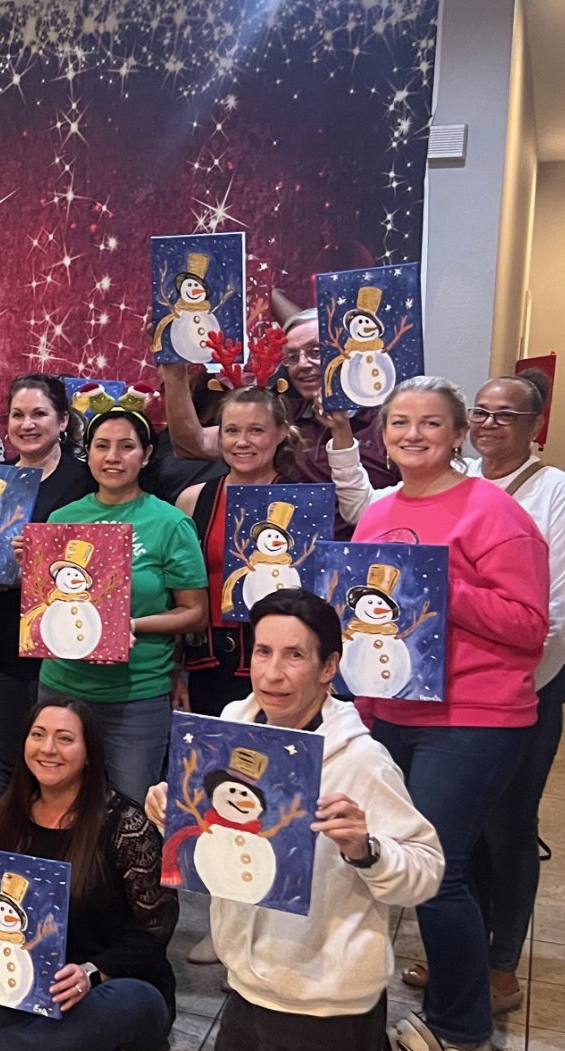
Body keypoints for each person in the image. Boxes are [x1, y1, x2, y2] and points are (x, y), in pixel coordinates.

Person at [145, 590, 444, 1051]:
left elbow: (426, 871)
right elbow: (221, 840)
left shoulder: (360, 761)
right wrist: (169, 815)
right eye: (263, 652)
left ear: (329, 667)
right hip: (248, 980)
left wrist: (366, 850)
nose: (272, 673)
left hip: (319, 997)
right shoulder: (230, 730)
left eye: (295, 655)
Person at [341, 375, 548, 1051]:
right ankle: (417, 1011)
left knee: (438, 871)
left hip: (474, 715)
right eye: (399, 421)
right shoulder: (375, 514)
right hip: (391, 713)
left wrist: (439, 585)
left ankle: (465, 1032)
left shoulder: (495, 513)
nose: (412, 434)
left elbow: (529, 627)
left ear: (458, 434)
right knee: (388, 865)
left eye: (430, 423)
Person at [0, 698, 176, 1051]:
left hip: (106, 984)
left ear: (90, 753)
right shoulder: (5, 817)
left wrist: (93, 973)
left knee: (137, 1004)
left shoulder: (126, 824)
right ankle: (76, 1049)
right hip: (29, 980)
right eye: (38, 735)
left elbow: (156, 928)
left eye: (65, 739)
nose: (48, 749)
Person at [463, 369, 565, 1016]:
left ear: (535, 425)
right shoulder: (455, 478)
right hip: (454, 687)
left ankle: (501, 959)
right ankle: (463, 946)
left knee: (509, 825)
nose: (489, 424)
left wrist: (508, 683)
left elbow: (563, 612)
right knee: (460, 825)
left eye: (505, 415)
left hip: (527, 686)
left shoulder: (560, 494)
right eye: (480, 412)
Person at [36, 408, 207, 805]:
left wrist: (133, 625)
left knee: (131, 813)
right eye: (102, 446)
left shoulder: (170, 523)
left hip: (136, 696)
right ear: (88, 453)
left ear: (146, 455)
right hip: (62, 687)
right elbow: (44, 603)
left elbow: (195, 612)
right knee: (61, 806)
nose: (113, 457)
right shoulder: (62, 519)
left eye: (126, 447)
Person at [157, 296, 397, 533]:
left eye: (315, 351)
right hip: (284, 554)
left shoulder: (388, 423)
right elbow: (191, 444)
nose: (303, 364)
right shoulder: (284, 416)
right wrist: (172, 364)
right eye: (292, 357)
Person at [0, 375, 94, 790]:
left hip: (59, 650)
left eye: (39, 414)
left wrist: (35, 571)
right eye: (17, 415)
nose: (27, 424)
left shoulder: (86, 481)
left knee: (61, 766)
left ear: (62, 421)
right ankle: (13, 851)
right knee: (8, 761)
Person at [173, 386, 300, 717]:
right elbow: (177, 592)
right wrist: (175, 671)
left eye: (256, 430)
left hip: (281, 669)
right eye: (232, 430)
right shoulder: (192, 500)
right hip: (206, 667)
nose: (242, 442)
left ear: (281, 433)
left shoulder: (302, 501)